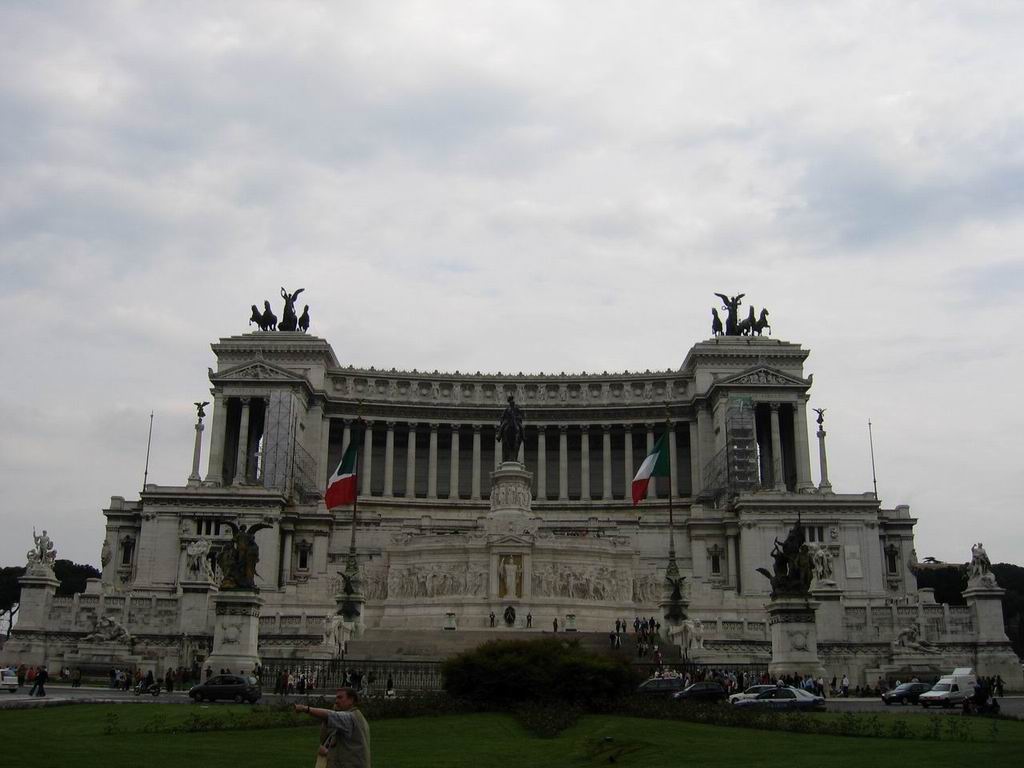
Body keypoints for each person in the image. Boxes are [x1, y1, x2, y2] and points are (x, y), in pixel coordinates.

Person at [295, 687, 371, 768]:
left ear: (351, 700)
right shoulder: (354, 717)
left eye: (340, 697)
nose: (336, 701)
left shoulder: (350, 717)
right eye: (336, 698)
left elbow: (329, 715)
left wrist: (305, 709)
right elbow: (324, 738)